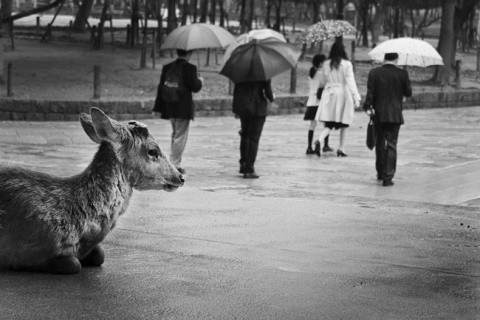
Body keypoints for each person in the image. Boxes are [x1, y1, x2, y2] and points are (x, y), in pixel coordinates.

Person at [363, 52, 412, 187]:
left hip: (379, 114)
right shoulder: (403, 74)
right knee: (391, 144)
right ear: (397, 59)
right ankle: (388, 177)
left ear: (384, 59)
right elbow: (408, 93)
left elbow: (370, 93)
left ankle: (380, 172)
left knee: (379, 143)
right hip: (395, 114)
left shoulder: (374, 72)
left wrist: (367, 107)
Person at [152, 49, 204, 174]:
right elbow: (195, 87)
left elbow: (161, 87)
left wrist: (157, 107)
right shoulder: (190, 68)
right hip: (183, 107)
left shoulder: (168, 67)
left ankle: (173, 161)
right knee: (180, 136)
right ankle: (174, 164)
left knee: (176, 134)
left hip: (170, 106)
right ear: (189, 53)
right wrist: (200, 80)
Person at [314, 41, 361, 157]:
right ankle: (341, 148)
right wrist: (356, 97)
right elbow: (350, 81)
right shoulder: (347, 64)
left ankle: (319, 140)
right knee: (345, 122)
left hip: (329, 93)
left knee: (329, 123)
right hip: (343, 94)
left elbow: (323, 81)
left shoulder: (325, 64)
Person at [232, 80, 274, 179]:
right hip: (258, 108)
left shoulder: (241, 73)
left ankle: (243, 162)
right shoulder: (264, 73)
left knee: (245, 135)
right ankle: (249, 168)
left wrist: (236, 109)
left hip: (244, 107)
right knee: (254, 138)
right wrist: (271, 98)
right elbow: (268, 93)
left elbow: (236, 91)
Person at [304, 54, 333, 155]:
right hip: (320, 102)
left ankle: (309, 147)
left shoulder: (311, 73)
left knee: (312, 125)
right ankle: (325, 145)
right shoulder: (322, 74)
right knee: (327, 124)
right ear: (321, 63)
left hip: (311, 101)